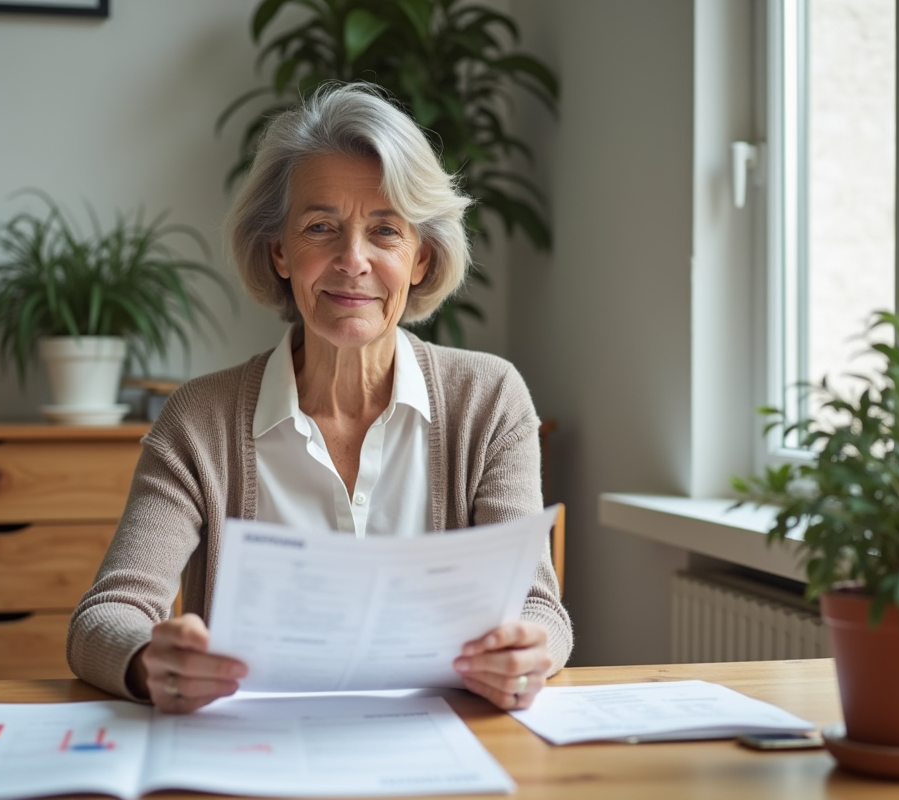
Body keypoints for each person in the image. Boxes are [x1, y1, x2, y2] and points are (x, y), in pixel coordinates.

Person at [67, 83, 572, 714]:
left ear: (421, 258)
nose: (352, 260)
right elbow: (104, 617)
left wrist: (529, 652)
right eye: (320, 227)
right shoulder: (199, 419)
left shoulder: (490, 399)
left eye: (385, 230)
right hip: (254, 755)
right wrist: (149, 662)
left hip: (438, 749)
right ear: (280, 251)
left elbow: (537, 606)